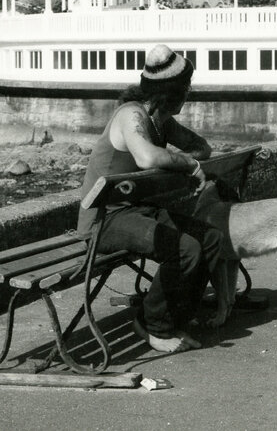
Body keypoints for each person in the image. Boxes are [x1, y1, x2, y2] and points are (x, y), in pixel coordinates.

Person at [77, 44, 222, 354]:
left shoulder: (160, 122)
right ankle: (151, 324)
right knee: (184, 249)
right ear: (174, 91)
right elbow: (145, 156)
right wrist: (186, 165)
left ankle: (177, 317)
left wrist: (181, 160)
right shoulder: (131, 115)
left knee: (209, 239)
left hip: (138, 210)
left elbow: (201, 148)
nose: (189, 93)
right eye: (187, 87)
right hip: (105, 219)